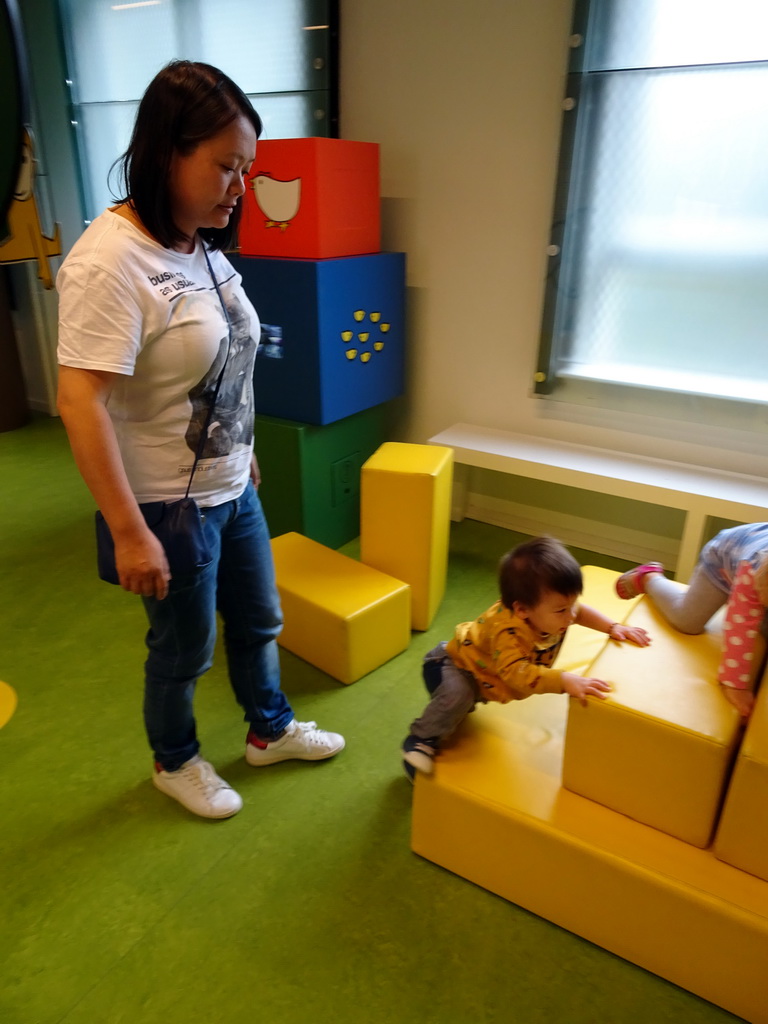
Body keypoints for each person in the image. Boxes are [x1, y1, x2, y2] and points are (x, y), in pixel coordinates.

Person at [56, 61, 344, 820]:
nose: (238, 187)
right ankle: (174, 760)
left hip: (228, 482)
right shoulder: (109, 261)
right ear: (165, 152)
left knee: (259, 621)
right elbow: (80, 401)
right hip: (162, 503)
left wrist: (240, 446)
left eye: (245, 169)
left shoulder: (199, 244)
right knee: (184, 652)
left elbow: (223, 358)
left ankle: (268, 731)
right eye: (224, 166)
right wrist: (127, 531)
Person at [401, 536, 651, 779]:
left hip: (482, 676)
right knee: (459, 696)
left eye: (572, 605)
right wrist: (564, 681)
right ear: (522, 609)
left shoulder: (556, 611)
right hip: (450, 666)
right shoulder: (507, 632)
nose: (571, 616)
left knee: (465, 701)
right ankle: (420, 739)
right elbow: (517, 674)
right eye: (562, 610)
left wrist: (612, 627)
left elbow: (581, 612)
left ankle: (457, 708)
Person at [616, 523, 768, 719]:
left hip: (750, 561)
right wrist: (734, 685)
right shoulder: (751, 571)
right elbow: (741, 625)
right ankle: (648, 577)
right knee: (687, 620)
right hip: (722, 559)